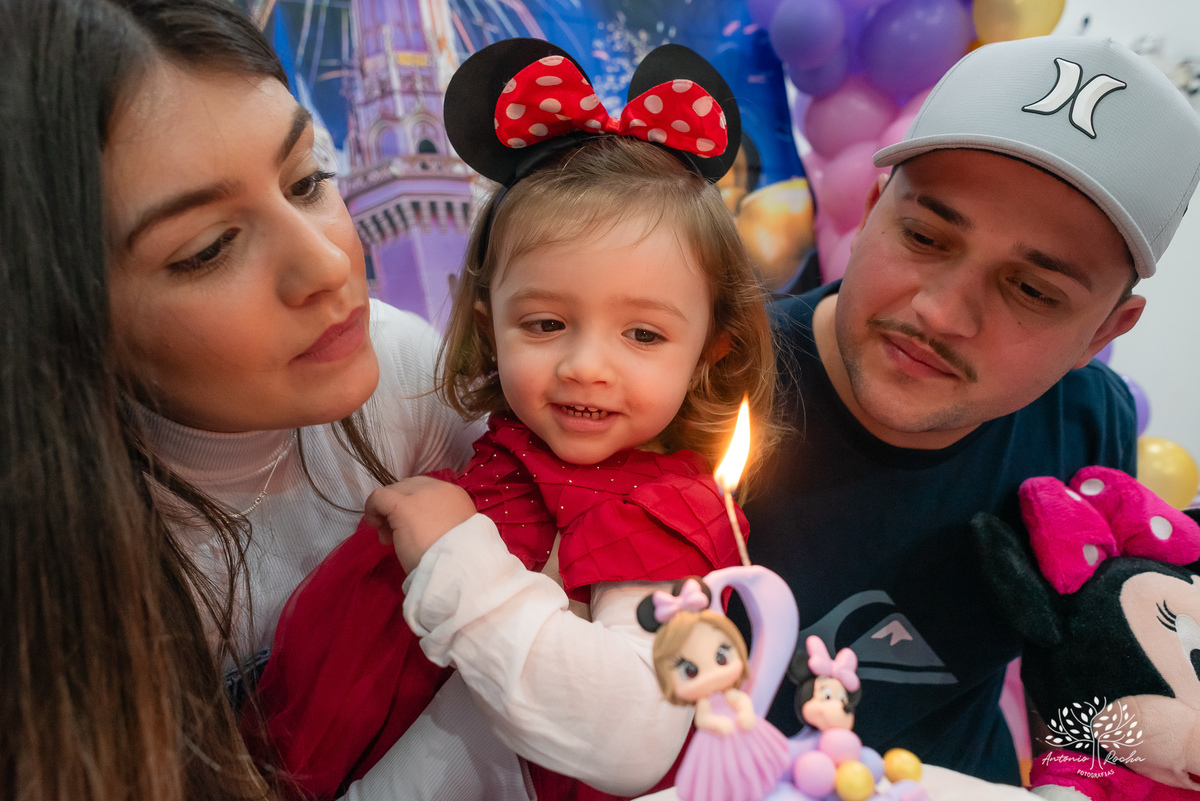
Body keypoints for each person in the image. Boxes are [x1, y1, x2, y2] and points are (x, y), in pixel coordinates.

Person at [0, 1, 529, 799]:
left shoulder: (405, 371)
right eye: (208, 249)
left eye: (309, 180)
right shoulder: (56, 579)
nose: (323, 264)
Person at [252, 38, 779, 801]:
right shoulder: (505, 456)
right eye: (544, 324)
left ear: (709, 352)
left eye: (643, 334)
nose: (584, 366)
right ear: (487, 324)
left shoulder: (658, 517)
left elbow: (632, 732)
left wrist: (455, 554)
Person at [736, 34, 1200, 786]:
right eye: (923, 236)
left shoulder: (1085, 425)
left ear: (1104, 333)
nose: (943, 313)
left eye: (1033, 291)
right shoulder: (708, 377)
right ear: (873, 206)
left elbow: (1079, 695)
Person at [644, 578, 791, 801]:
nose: (712, 675)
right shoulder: (705, 702)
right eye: (691, 671)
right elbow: (703, 719)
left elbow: (740, 700)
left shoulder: (728, 694)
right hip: (715, 742)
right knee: (717, 780)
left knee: (756, 770)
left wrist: (745, 712)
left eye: (721, 658)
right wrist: (717, 724)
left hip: (743, 732)